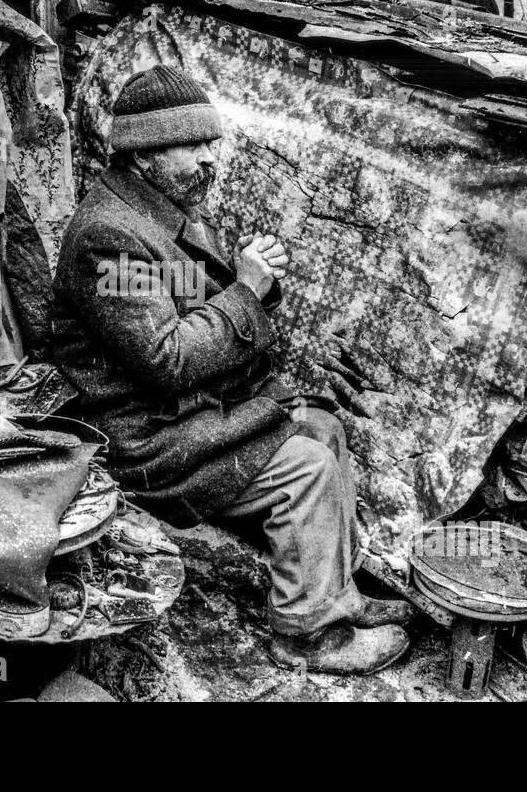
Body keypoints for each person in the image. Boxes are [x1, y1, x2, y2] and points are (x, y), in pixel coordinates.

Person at [52, 65, 412, 675]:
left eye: (210, 142)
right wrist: (247, 289)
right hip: (148, 435)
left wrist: (252, 286)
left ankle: (338, 593)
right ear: (142, 154)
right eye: (192, 145)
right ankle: (307, 633)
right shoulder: (106, 237)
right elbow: (166, 359)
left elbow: (195, 301)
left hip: (193, 410)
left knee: (324, 427)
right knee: (308, 468)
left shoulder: (164, 208)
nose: (209, 159)